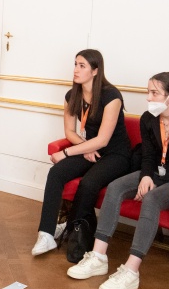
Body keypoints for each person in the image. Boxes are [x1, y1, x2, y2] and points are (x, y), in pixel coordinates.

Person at [67, 72, 169, 289]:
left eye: (154, 93)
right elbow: (148, 156)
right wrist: (146, 176)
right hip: (152, 173)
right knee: (115, 186)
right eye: (148, 92)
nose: (148, 98)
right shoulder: (148, 119)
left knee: (151, 199)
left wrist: (156, 182)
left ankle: (131, 270)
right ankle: (98, 256)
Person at [32, 49, 130, 259]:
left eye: (82, 66)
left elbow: (104, 139)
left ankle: (73, 228)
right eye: (75, 64)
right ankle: (47, 233)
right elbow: (70, 131)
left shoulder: (111, 96)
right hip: (89, 149)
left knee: (88, 183)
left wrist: (67, 152)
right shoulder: (71, 95)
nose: (76, 70)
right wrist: (86, 148)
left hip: (115, 154)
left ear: (95, 71)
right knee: (56, 172)